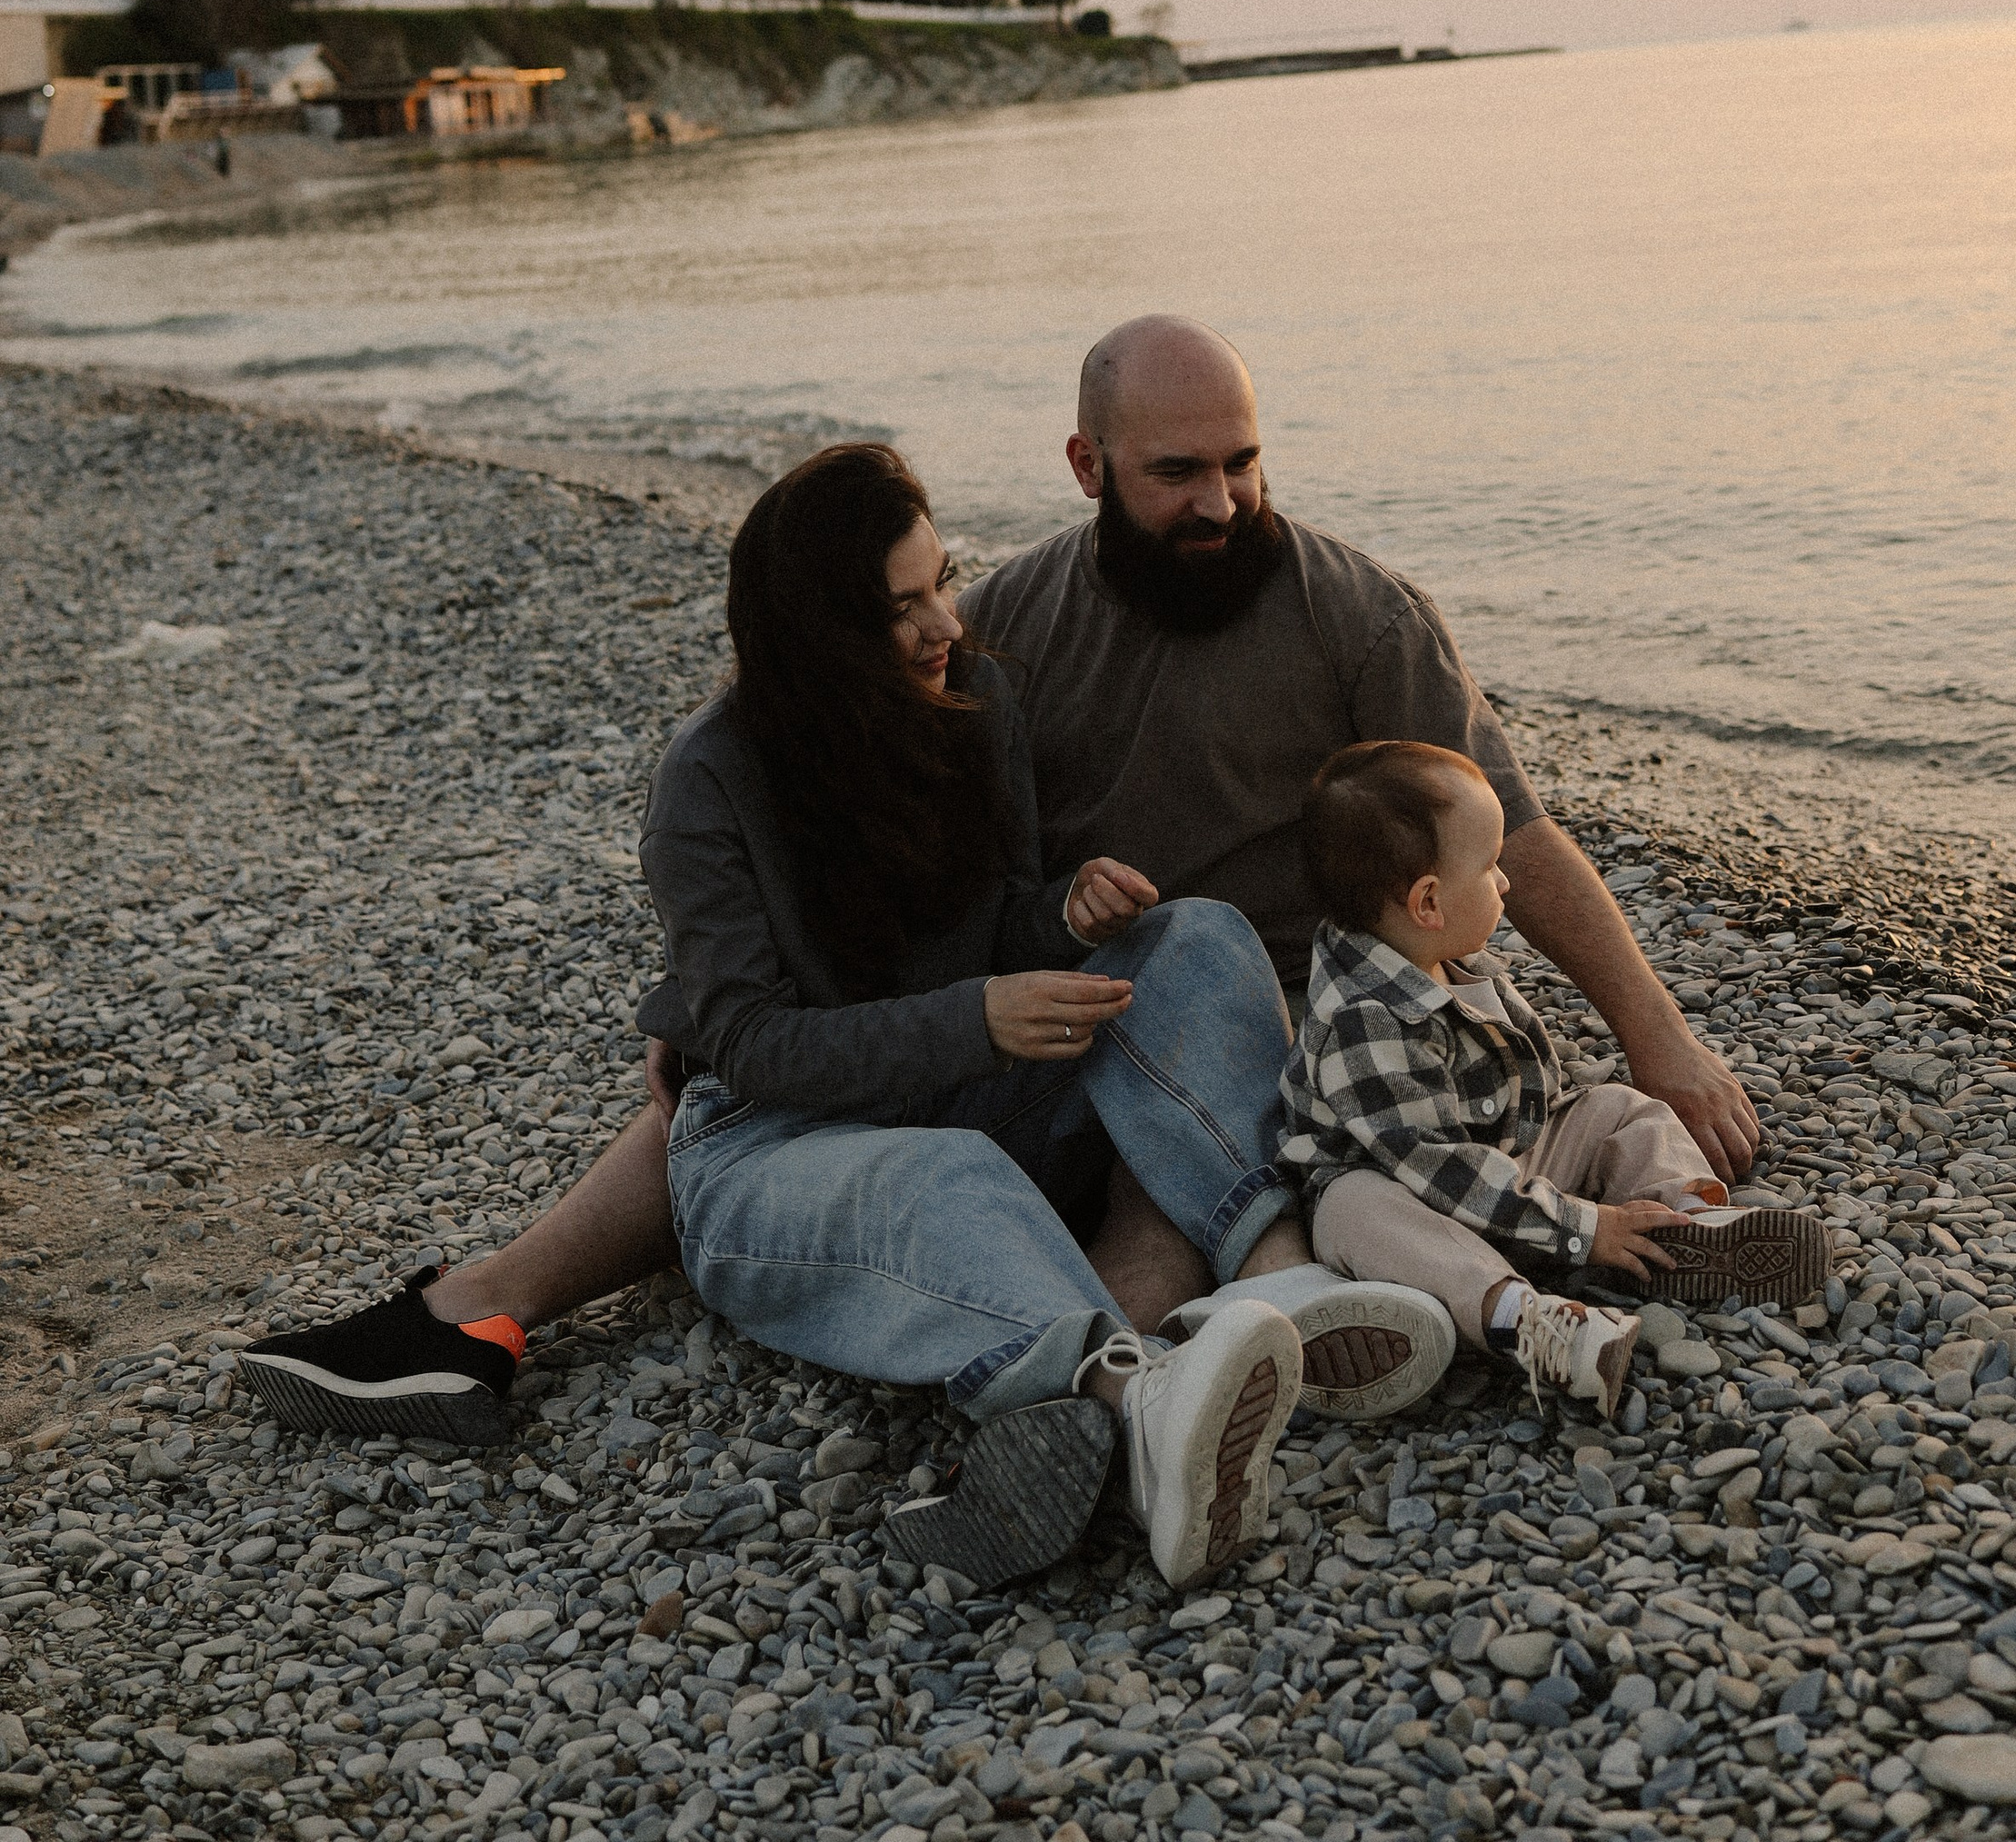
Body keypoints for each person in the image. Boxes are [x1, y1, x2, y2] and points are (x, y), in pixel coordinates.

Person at [240, 315, 1760, 1430]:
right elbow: (859, 904)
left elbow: (1512, 828)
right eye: (1178, 472)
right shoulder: (1003, 632)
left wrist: (1661, 1036)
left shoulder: (1351, 617)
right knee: (722, 1086)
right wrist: (702, 996)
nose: (1220, 501)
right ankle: (473, 1308)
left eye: (1243, 461)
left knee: (1179, 989)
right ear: (1089, 464)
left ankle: (1186, 1346)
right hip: (1034, 1033)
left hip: (1240, 1032)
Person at [243, 443, 1449, 1586]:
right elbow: (756, 1047)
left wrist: (1063, 922)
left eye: (944, 584)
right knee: (948, 1179)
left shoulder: (973, 702)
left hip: (968, 1092)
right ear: (820, 631)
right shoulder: (709, 782)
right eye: (897, 609)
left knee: (1190, 938)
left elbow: (996, 928)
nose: (941, 627)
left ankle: (1274, 1280)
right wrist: (980, 1016)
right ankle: (1135, 1408)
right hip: (771, 1145)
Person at [1276, 741, 1833, 1409]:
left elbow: (1534, 1101)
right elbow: (1440, 1168)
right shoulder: (1361, 1020)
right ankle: (1523, 1320)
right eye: (1489, 867)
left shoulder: (1439, 954)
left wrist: (1573, 1180)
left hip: (1503, 1170)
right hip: (1414, 1204)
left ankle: (1682, 1231)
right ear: (1428, 902)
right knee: (1357, 1208)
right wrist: (1585, 1226)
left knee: (1619, 1110)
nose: (1506, 883)